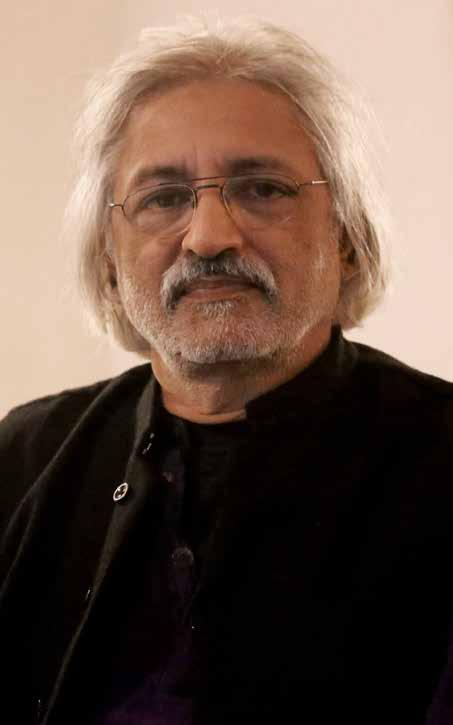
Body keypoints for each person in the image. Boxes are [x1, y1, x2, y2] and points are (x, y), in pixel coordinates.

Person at [0, 15, 452, 725]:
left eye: (262, 188)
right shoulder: (27, 458)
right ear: (109, 260)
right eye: (163, 198)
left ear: (345, 237)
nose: (209, 236)